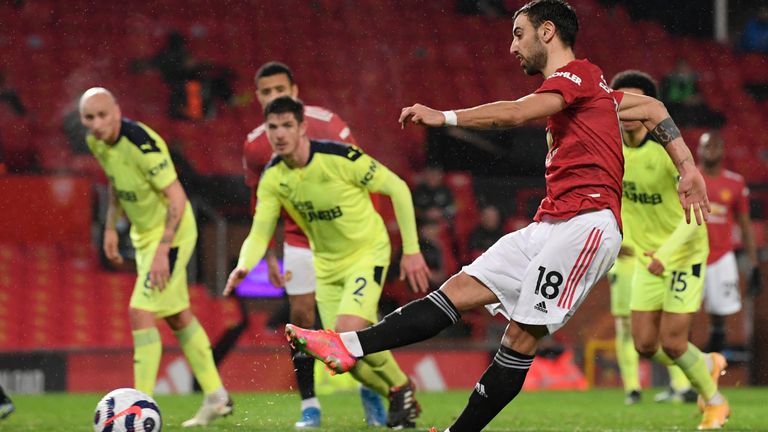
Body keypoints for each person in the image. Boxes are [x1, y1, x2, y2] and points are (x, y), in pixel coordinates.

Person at [285, 1, 715, 431]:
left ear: (547, 32)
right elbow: (654, 110)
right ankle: (346, 346)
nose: (512, 46)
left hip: (588, 224)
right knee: (458, 289)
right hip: (548, 225)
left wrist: (445, 117)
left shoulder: (577, 75)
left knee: (520, 337)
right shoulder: (594, 95)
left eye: (518, 33)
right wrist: (687, 167)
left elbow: (514, 112)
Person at [226, 96, 431, 429]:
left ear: (302, 127)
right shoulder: (273, 177)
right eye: (272, 127)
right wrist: (244, 266)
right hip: (326, 266)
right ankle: (399, 395)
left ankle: (400, 387)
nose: (279, 134)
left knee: (349, 333)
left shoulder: (339, 158)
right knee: (343, 356)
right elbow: (260, 232)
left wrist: (411, 249)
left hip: (367, 253)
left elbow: (398, 187)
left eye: (287, 125)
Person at [242, 61, 386, 428]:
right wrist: (271, 257)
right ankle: (309, 403)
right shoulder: (256, 146)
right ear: (258, 97)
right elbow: (262, 208)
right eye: (266, 92)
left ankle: (373, 390)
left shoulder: (330, 125)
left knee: (354, 322)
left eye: (280, 90)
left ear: (295, 91)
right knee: (301, 320)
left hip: (344, 240)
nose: (273, 97)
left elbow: (362, 180)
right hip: (298, 241)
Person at [80, 87, 232, 428]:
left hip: (172, 233)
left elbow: (177, 198)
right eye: (89, 118)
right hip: (143, 236)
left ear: (117, 111)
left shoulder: (142, 144)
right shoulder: (96, 142)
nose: (97, 123)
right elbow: (116, 183)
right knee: (178, 316)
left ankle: (136, 405)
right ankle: (216, 396)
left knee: (140, 310)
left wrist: (164, 248)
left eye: (103, 115)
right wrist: (109, 228)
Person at [610, 71, 729, 425]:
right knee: (645, 344)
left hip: (682, 255)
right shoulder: (614, 152)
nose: (626, 110)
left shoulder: (667, 153)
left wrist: (666, 254)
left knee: (674, 343)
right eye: (620, 101)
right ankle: (705, 362)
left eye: (635, 102)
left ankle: (715, 401)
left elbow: (698, 216)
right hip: (649, 259)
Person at [698, 131, 763, 352]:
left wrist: (754, 264)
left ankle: (713, 370)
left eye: (714, 147)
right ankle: (682, 377)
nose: (710, 151)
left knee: (720, 317)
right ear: (698, 150)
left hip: (721, 257)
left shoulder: (735, 183)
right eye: (706, 146)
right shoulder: (690, 179)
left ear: (723, 151)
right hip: (690, 257)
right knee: (681, 315)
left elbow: (745, 226)